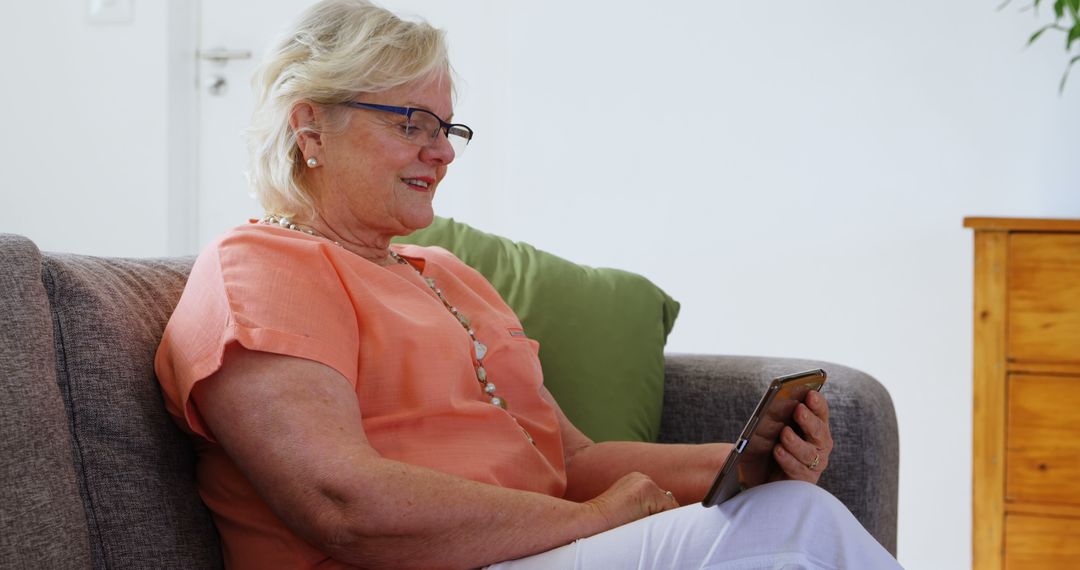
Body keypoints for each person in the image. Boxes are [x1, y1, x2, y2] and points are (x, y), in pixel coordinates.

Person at [155, 1, 902, 568]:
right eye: (412, 122)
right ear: (310, 128)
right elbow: (339, 501)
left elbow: (567, 464)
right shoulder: (261, 268)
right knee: (793, 530)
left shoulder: (446, 274)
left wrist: (740, 462)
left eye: (448, 128)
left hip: (535, 551)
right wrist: (591, 522)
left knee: (785, 503)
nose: (441, 152)